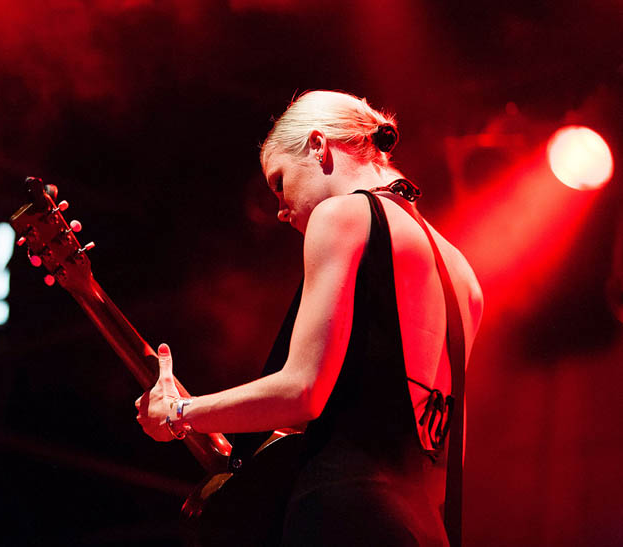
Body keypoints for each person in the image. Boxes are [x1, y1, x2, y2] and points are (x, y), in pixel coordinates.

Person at [135, 90, 483, 546]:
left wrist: (181, 412)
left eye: (279, 182)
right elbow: (444, 452)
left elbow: (302, 391)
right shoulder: (464, 275)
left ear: (319, 145)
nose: (280, 210)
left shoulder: (342, 214)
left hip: (345, 512)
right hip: (423, 528)